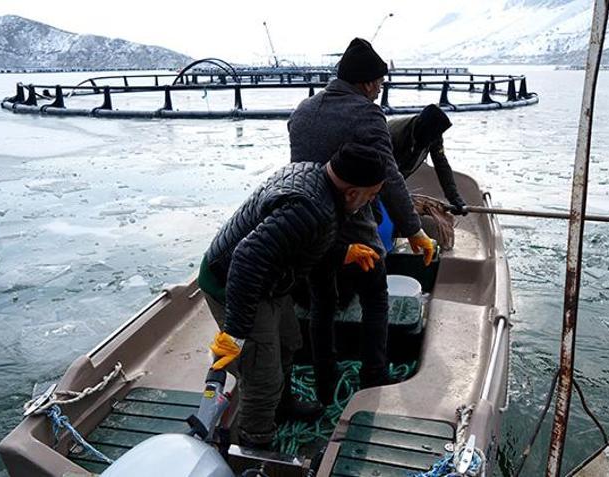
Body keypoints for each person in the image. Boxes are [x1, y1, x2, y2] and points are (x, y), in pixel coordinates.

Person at [199, 143, 385, 449]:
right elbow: (247, 258)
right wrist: (236, 333)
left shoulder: (315, 173)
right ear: (352, 192)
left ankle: (282, 407)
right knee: (263, 376)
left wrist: (342, 252)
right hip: (234, 282)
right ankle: (254, 444)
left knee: (288, 343)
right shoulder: (312, 208)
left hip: (271, 280)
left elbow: (291, 240)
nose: (373, 201)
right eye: (372, 194)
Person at [287, 38, 436, 401]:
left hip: (310, 225)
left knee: (323, 301)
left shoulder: (303, 110)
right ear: (368, 83)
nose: (380, 91)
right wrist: (415, 231)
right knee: (376, 296)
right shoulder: (368, 114)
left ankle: (324, 382)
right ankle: (373, 377)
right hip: (353, 228)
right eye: (380, 84)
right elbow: (388, 178)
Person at [387, 104, 467, 215]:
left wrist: (454, 197)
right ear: (421, 128)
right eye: (431, 138)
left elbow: (441, 164)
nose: (432, 142)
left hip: (398, 174)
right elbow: (389, 175)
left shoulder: (433, 135)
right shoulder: (394, 135)